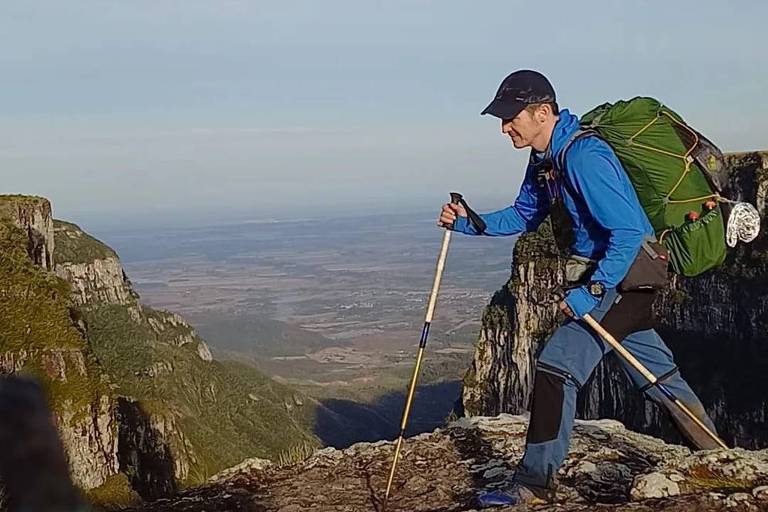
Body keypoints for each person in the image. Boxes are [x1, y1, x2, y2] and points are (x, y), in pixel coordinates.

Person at [438, 70, 718, 507]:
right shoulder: (545, 159)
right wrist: (469, 222)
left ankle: (534, 483)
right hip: (612, 278)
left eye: (511, 117)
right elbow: (524, 215)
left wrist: (592, 290)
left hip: (622, 278)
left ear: (542, 112)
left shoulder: (584, 156)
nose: (504, 127)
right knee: (656, 373)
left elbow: (627, 230)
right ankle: (718, 456)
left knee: (557, 367)